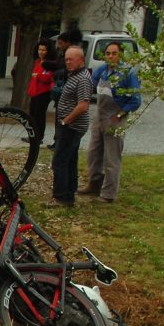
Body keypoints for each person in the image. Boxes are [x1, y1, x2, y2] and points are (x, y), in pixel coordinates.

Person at [79, 41, 142, 203]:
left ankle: (108, 194)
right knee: (93, 153)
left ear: (120, 54)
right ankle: (94, 184)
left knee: (111, 158)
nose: (110, 56)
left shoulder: (128, 73)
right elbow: (89, 84)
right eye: (108, 53)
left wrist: (119, 115)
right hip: (99, 116)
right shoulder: (102, 70)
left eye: (114, 53)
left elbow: (135, 100)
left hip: (115, 118)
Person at [48, 46, 92, 208]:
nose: (67, 62)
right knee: (70, 160)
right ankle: (69, 194)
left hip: (72, 126)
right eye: (66, 59)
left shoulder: (83, 79)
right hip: (69, 125)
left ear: (81, 60)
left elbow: (83, 105)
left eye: (71, 59)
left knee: (59, 161)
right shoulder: (75, 75)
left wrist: (66, 121)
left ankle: (60, 198)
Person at [45, 28, 82, 150]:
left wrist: (57, 72)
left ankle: (61, 142)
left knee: (65, 120)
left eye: (61, 43)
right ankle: (58, 141)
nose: (59, 46)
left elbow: (66, 70)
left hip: (68, 92)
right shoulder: (61, 54)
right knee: (59, 117)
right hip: (61, 92)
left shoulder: (74, 57)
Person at [26, 39, 55, 146]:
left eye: (44, 50)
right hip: (35, 91)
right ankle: (32, 136)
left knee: (39, 115)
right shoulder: (38, 61)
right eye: (40, 49)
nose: (41, 52)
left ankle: (39, 137)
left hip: (44, 93)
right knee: (32, 114)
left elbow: (48, 78)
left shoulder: (50, 63)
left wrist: (38, 76)